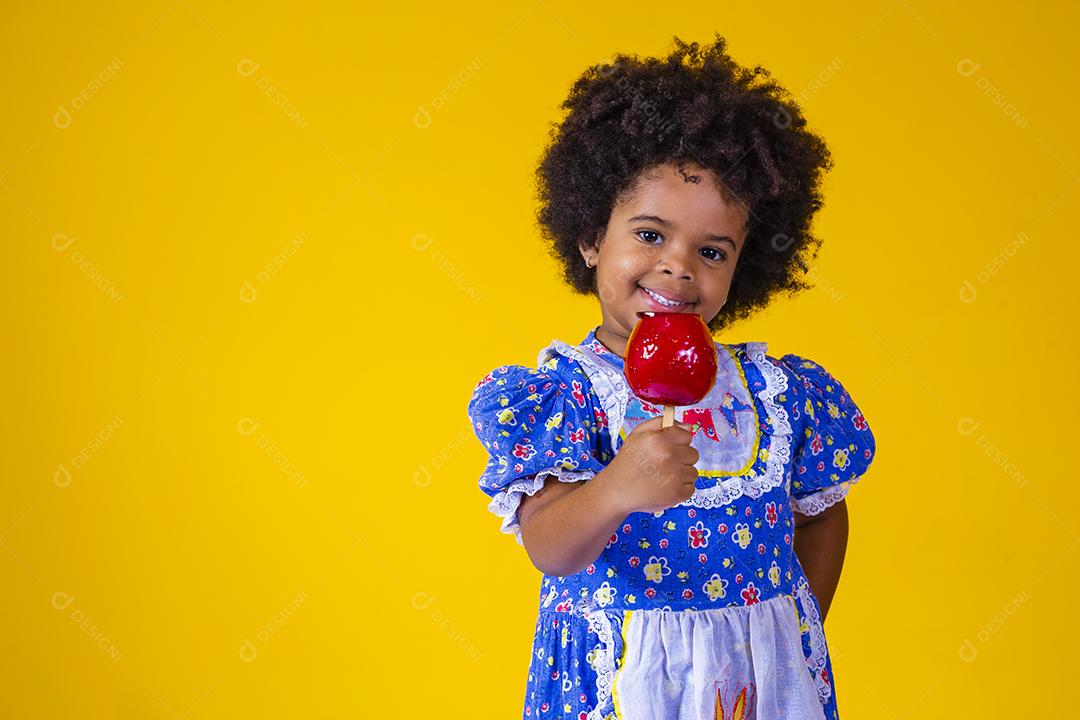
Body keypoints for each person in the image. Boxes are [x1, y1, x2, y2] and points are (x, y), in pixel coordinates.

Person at [465, 34, 876, 720]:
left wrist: (796, 627)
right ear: (593, 237)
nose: (679, 266)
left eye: (711, 250)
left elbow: (822, 511)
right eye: (651, 235)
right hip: (620, 675)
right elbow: (550, 546)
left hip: (758, 682)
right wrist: (617, 487)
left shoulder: (779, 392)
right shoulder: (563, 397)